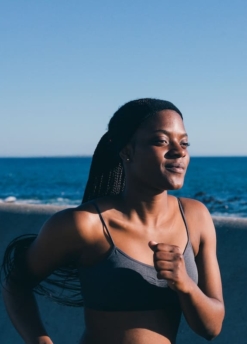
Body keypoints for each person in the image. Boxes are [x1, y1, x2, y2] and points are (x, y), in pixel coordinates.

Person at [2, 98, 224, 344]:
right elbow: (16, 284)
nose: (179, 151)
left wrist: (185, 285)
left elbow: (211, 328)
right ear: (127, 151)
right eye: (162, 141)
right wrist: (39, 340)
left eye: (184, 143)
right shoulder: (85, 225)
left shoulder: (196, 218)